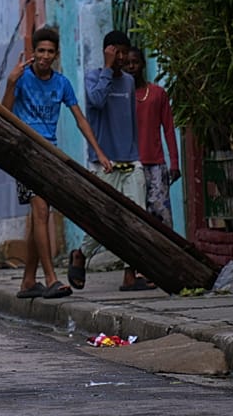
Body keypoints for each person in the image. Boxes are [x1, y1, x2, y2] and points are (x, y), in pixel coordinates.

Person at [1, 25, 109, 300]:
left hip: (51, 154)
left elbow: (80, 119)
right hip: (25, 151)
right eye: (40, 51)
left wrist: (99, 152)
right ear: (33, 53)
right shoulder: (22, 78)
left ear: (56, 55)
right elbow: (3, 112)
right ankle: (50, 278)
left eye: (50, 51)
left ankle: (28, 281)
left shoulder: (62, 83)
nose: (45, 56)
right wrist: (11, 82)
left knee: (39, 216)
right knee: (41, 211)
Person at [73, 30, 153, 291]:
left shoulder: (129, 82)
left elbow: (130, 119)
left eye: (123, 52)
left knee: (136, 218)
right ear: (106, 52)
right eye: (115, 52)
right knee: (102, 219)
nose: (120, 58)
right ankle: (82, 254)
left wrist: (135, 153)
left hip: (130, 160)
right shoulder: (92, 77)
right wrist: (108, 69)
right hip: (102, 162)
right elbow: (95, 102)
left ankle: (131, 274)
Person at [126, 46, 180, 227]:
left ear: (142, 64)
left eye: (135, 62)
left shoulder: (157, 93)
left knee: (162, 215)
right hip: (131, 166)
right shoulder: (121, 95)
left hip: (156, 164)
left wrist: (174, 162)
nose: (131, 66)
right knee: (138, 216)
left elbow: (169, 129)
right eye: (127, 63)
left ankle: (167, 253)